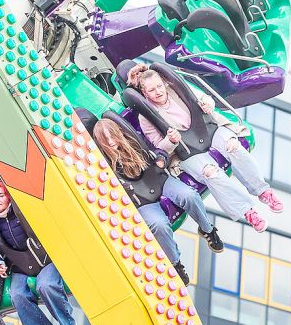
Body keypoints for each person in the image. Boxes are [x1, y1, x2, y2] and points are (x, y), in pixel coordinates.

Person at [127, 64, 283, 232]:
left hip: (208, 130)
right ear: (144, 93)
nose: (158, 92)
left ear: (163, 82)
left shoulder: (177, 88)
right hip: (185, 152)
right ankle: (248, 212)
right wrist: (170, 140)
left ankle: (263, 191)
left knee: (233, 146)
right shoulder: (146, 116)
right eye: (152, 90)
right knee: (210, 172)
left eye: (159, 86)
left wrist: (207, 104)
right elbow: (160, 148)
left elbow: (204, 97)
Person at [92, 119, 225, 284]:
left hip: (158, 181)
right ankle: (175, 263)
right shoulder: (103, 163)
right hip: (141, 199)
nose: (111, 142)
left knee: (188, 195)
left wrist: (161, 159)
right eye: (106, 140)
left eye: (112, 136)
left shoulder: (134, 140)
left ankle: (207, 229)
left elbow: (157, 152)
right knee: (158, 224)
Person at [0, 180, 78, 325]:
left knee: (46, 285)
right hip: (20, 265)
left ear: (9, 197)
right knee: (17, 295)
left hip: (43, 258)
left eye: (1, 195)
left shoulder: (21, 210)